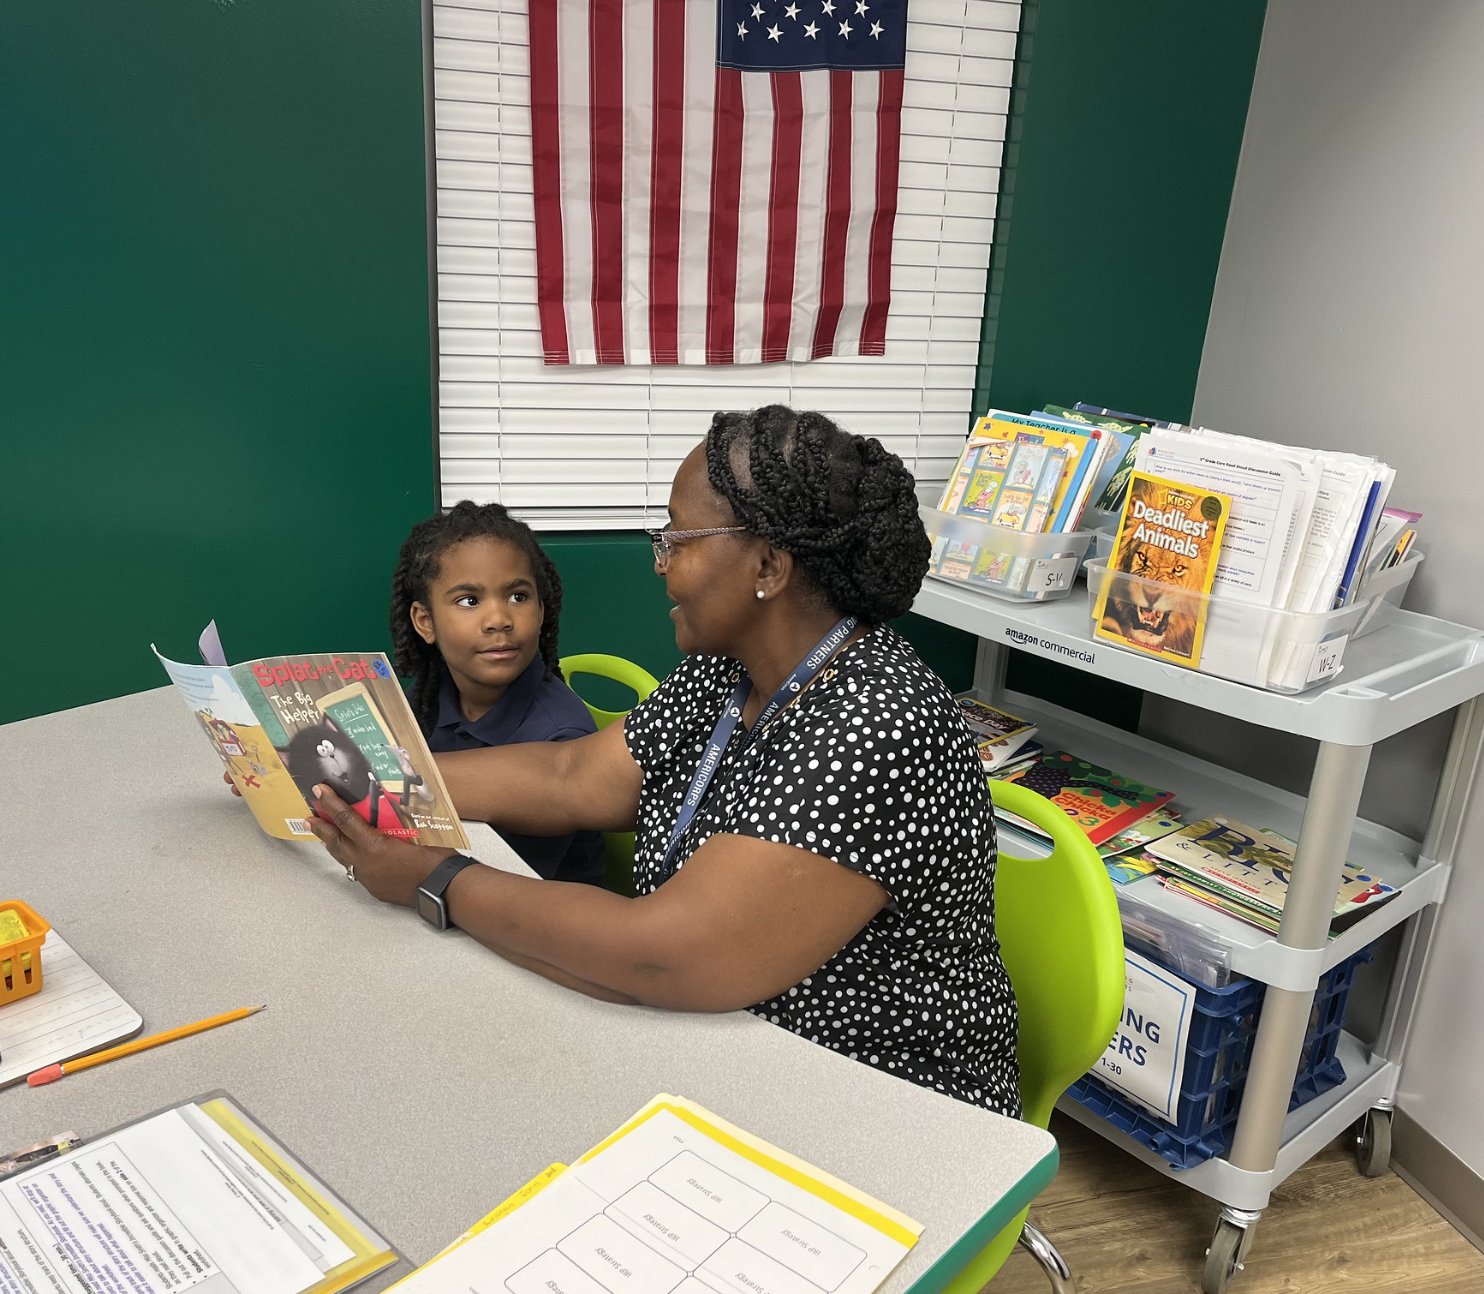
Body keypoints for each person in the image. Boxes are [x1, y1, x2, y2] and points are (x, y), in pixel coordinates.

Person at [309, 406, 1020, 1116]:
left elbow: (664, 954)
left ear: (768, 565)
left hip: (872, 1104)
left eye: (678, 539)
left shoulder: (876, 725)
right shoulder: (730, 669)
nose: (660, 564)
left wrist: (433, 881)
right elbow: (573, 779)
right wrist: (358, 771)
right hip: (714, 1040)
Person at [390, 501, 606, 885]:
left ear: (541, 610)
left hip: (532, 907)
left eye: (518, 597)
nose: (499, 620)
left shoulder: (561, 735)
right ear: (426, 622)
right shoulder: (427, 695)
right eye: (469, 601)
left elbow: (508, 876)